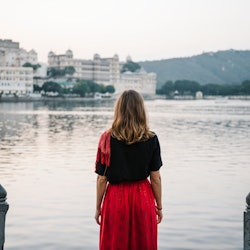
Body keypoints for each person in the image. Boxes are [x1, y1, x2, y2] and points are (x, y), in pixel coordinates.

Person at [95, 90, 163, 250]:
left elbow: (102, 179)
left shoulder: (107, 138)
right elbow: (155, 179)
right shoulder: (151, 139)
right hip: (143, 198)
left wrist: (98, 207)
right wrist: (159, 206)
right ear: (141, 110)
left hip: (115, 199)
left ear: (118, 110)